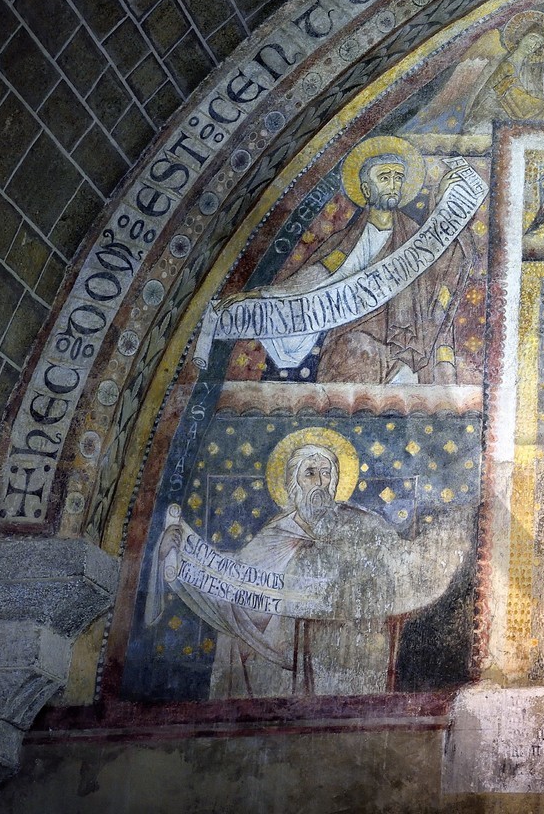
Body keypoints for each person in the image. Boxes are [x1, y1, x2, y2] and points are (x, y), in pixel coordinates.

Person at [152, 433, 466, 699]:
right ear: (294, 483)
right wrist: (183, 555)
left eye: (326, 473)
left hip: (351, 654)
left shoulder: (362, 524)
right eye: (310, 473)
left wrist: (443, 544)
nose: (320, 482)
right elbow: (237, 584)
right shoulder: (275, 536)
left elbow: (400, 561)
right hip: (287, 666)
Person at [225, 137, 477, 384]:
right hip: (352, 336)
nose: (393, 185)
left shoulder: (414, 236)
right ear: (366, 189)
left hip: (401, 342)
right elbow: (315, 277)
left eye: (398, 178)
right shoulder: (346, 242)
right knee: (353, 350)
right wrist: (264, 295)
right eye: (384, 177)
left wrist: (443, 205)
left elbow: (443, 269)